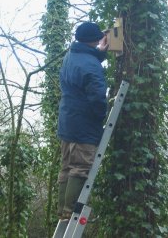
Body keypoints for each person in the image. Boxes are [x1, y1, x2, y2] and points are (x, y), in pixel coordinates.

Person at [57, 21, 109, 219]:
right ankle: (71, 213)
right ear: (94, 40)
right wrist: (100, 117)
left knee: (67, 167)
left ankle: (63, 212)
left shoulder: (71, 55)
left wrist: (100, 54)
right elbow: (97, 98)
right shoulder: (90, 65)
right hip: (84, 126)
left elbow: (84, 67)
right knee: (80, 167)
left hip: (67, 122)